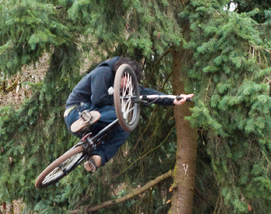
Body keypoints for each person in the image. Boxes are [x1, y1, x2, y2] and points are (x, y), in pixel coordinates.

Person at [64, 57, 194, 173]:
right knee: (119, 113)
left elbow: (147, 94)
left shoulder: (126, 86)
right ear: (120, 72)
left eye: (131, 82)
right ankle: (86, 120)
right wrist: (120, 98)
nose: (127, 85)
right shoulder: (103, 72)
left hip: (92, 122)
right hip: (76, 111)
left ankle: (97, 159)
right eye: (127, 80)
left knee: (124, 128)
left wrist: (173, 99)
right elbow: (98, 99)